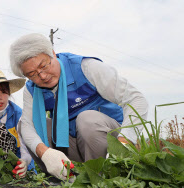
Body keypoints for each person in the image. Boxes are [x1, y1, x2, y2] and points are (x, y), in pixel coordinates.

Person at [9, 33, 148, 180]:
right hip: (74, 141)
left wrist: (123, 143)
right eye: (32, 74)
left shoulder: (85, 68)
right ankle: (63, 179)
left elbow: (136, 99)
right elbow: (27, 126)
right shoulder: (32, 89)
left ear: (53, 54)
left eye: (44, 66)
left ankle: (105, 178)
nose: (42, 76)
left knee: (87, 119)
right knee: (27, 125)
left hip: (109, 139)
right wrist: (45, 152)